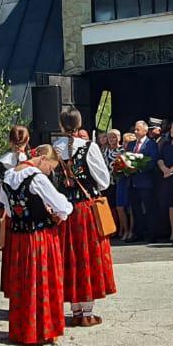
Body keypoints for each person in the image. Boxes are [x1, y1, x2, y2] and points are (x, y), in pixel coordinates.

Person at [0, 145, 70, 345]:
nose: (49, 172)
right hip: (39, 237)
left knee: (23, 283)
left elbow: (7, 207)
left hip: (18, 238)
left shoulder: (8, 176)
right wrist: (60, 213)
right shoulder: (37, 178)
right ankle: (41, 330)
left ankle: (21, 330)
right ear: (42, 158)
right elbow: (62, 206)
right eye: (50, 167)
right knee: (41, 281)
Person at [52, 108, 115, 325]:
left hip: (64, 210)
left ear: (61, 126)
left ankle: (76, 310)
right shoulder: (89, 147)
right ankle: (87, 312)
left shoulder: (54, 149)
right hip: (85, 209)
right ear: (79, 124)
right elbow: (104, 181)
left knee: (69, 257)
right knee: (88, 256)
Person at [0, 126, 32, 297]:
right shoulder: (34, 160)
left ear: (10, 141)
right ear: (27, 140)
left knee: (13, 255)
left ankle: (14, 293)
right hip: (32, 215)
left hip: (11, 214)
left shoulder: (2, 163)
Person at [125, 120, 160, 243]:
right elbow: (126, 158)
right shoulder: (131, 144)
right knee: (136, 209)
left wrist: (138, 168)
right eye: (135, 129)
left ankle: (152, 234)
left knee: (149, 208)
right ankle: (138, 233)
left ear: (145, 131)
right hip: (132, 182)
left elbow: (152, 161)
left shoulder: (151, 144)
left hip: (145, 182)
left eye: (138, 129)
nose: (135, 131)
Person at [104, 128, 130, 241]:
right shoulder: (105, 151)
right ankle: (115, 229)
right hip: (108, 183)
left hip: (120, 181)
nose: (111, 139)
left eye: (114, 137)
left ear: (119, 138)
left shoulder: (122, 150)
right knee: (111, 207)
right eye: (109, 137)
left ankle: (125, 229)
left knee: (121, 207)